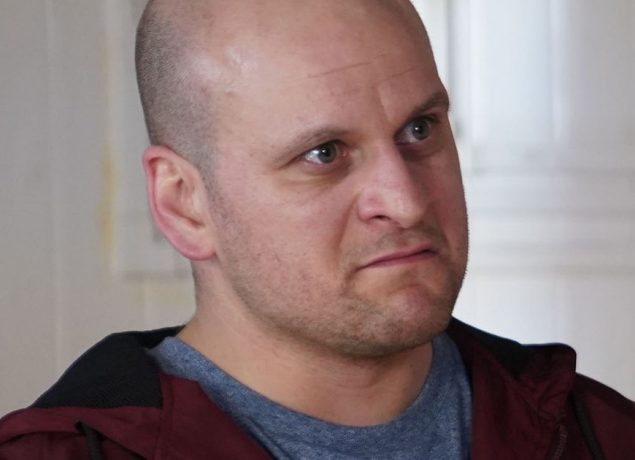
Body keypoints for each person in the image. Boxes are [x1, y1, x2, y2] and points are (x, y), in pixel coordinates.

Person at [0, 0, 633, 458]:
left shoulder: (600, 434)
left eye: (419, 129)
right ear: (185, 204)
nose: (405, 201)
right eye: (324, 154)